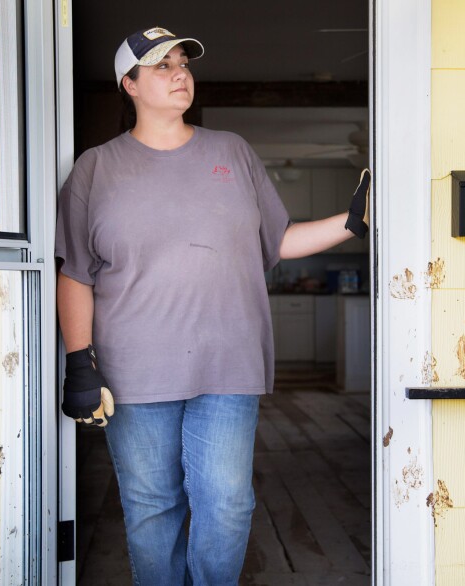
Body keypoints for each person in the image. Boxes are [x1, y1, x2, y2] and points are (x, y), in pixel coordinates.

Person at [55, 25, 371, 586]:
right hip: (133, 370)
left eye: (183, 62)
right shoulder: (95, 169)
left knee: (227, 503)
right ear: (128, 84)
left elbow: (275, 240)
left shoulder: (232, 151)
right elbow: (76, 271)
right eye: (161, 66)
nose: (180, 73)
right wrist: (79, 362)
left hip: (228, 362)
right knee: (153, 507)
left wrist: (352, 223)